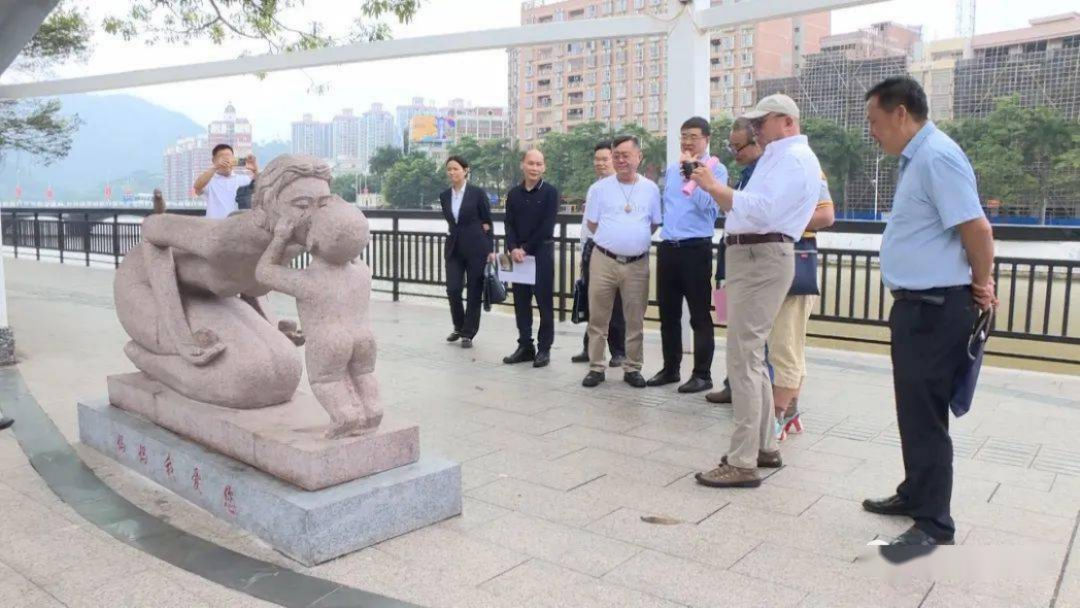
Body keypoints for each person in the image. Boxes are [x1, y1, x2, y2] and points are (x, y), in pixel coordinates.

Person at [861, 77, 996, 547]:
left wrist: (982, 283)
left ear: (901, 113)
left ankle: (935, 523)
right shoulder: (916, 160)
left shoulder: (937, 156)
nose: (872, 131)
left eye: (875, 121)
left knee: (926, 415)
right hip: (917, 306)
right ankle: (915, 493)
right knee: (913, 408)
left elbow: (977, 229)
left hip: (937, 307)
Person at [689, 94, 823, 489]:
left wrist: (714, 187)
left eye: (761, 122)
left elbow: (762, 210)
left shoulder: (794, 159)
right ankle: (762, 446)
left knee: (744, 357)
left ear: (786, 121)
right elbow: (753, 208)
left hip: (760, 255)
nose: (755, 129)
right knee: (752, 356)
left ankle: (743, 460)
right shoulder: (779, 157)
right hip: (753, 254)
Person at [256, 206, 380, 439]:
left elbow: (264, 272)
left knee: (327, 381)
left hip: (328, 340)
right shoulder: (363, 272)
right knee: (364, 373)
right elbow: (349, 250)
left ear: (311, 242)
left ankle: (345, 417)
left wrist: (280, 238)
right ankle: (373, 413)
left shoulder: (306, 280)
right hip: (364, 336)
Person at [647, 117, 728, 394]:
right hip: (669, 247)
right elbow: (668, 207)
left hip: (696, 249)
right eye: (684, 136)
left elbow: (709, 206)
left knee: (699, 315)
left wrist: (693, 175)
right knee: (668, 314)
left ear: (707, 139)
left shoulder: (716, 169)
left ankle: (702, 375)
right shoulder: (672, 169)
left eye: (693, 136)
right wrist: (682, 171)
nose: (687, 141)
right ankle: (670, 369)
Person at [581, 135, 662, 389]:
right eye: (616, 155)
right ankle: (596, 367)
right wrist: (614, 240)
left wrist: (631, 241)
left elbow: (653, 224)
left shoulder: (650, 189)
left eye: (626, 155)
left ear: (639, 156)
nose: (620, 160)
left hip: (637, 263)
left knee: (635, 318)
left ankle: (633, 367)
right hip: (604, 259)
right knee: (598, 317)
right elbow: (592, 223)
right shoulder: (599, 189)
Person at [770, 172, 835, 440]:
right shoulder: (763, 168)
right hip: (761, 268)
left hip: (791, 266)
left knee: (784, 345)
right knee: (787, 344)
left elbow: (826, 215)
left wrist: (776, 222)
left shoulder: (806, 168)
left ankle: (777, 415)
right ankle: (789, 409)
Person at [707, 118, 763, 405]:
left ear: (757, 141)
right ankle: (732, 383)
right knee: (729, 322)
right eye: (731, 147)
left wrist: (711, 186)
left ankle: (749, 390)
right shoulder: (744, 174)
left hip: (751, 263)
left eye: (738, 147)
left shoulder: (764, 175)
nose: (734, 153)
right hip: (728, 262)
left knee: (750, 331)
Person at [503, 149, 560, 368]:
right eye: (531, 163)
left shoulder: (550, 193)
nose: (534, 168)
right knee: (521, 302)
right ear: (522, 165)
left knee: (544, 303)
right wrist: (512, 248)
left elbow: (547, 226)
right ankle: (525, 345)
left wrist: (525, 249)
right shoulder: (513, 194)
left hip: (541, 254)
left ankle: (544, 349)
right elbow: (509, 224)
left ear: (544, 167)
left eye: (539, 164)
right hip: (518, 257)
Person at [572, 141, 627, 367]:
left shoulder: (623, 187)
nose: (600, 163)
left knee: (615, 304)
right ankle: (590, 348)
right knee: (591, 301)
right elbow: (587, 224)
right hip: (591, 250)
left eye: (605, 159)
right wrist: (583, 252)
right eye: (597, 159)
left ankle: (619, 351)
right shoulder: (594, 188)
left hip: (613, 252)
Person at [439, 156, 494, 349]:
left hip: (477, 248)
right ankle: (459, 325)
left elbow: (487, 222)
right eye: (449, 169)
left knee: (474, 291)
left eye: (455, 169)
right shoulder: (444, 196)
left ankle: (468, 333)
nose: (452, 172)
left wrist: (490, 249)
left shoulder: (477, 193)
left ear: (465, 170)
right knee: (453, 289)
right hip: (454, 248)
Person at [194, 144, 258, 219]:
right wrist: (215, 167)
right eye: (223, 159)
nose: (227, 161)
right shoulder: (208, 180)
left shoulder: (243, 179)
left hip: (236, 224)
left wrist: (255, 169)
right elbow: (197, 187)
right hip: (213, 225)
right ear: (214, 161)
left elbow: (260, 189)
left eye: (229, 158)